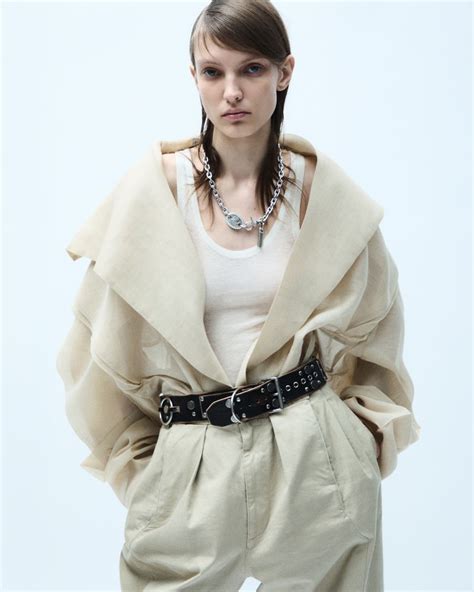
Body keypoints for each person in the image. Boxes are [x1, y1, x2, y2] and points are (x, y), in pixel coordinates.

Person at [56, 1, 421, 590]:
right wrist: (148, 472)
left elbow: (378, 328)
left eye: (252, 69)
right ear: (194, 77)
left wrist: (356, 441)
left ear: (285, 72)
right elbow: (93, 348)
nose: (232, 92)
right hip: (191, 464)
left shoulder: (322, 194)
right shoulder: (156, 192)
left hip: (313, 462)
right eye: (212, 71)